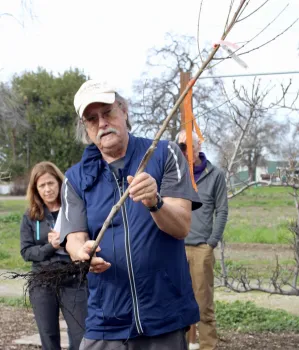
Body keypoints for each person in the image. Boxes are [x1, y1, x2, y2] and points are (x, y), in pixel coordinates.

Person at [59, 80, 202, 350]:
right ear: (85, 128)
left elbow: (182, 226)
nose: (101, 123)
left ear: (124, 111)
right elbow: (73, 238)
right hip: (106, 318)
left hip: (164, 314)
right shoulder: (76, 178)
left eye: (108, 112)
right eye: (92, 119)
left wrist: (155, 202)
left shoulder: (163, 154)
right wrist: (83, 252)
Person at [20, 161, 88, 350]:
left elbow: (84, 239)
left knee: (80, 334)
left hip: (74, 278)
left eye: (51, 183)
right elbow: (26, 252)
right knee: (48, 336)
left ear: (59, 183)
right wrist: (50, 247)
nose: (47, 189)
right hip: (42, 282)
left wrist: (66, 243)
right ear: (35, 189)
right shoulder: (31, 216)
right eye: (42, 185)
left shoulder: (73, 209)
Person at [176, 130, 228, 350]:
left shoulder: (215, 175)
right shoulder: (174, 173)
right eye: (180, 146)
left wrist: (212, 242)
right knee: (177, 304)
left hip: (201, 248)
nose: (184, 150)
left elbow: (222, 210)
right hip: (175, 248)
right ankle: (182, 345)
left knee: (203, 305)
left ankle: (207, 346)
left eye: (188, 145)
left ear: (198, 147)